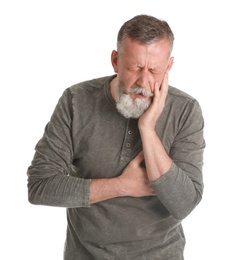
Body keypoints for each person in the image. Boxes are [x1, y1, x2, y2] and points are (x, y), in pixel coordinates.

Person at [27, 14, 205, 260]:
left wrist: (148, 128)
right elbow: (40, 187)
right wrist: (121, 186)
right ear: (115, 60)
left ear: (169, 67)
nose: (144, 82)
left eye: (154, 70)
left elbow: (184, 203)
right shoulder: (76, 101)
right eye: (134, 67)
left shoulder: (186, 110)